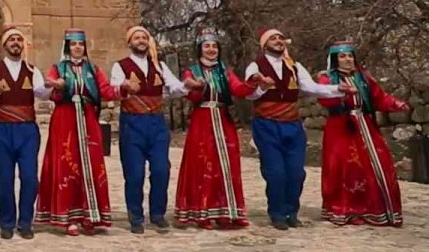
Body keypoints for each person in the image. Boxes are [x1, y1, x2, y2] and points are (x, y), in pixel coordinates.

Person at [244, 27, 348, 230]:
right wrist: (261, 86)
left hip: (292, 125)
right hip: (267, 125)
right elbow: (249, 94)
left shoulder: (295, 66)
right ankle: (277, 213)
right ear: (264, 44)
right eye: (272, 38)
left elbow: (311, 88)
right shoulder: (255, 66)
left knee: (296, 173)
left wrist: (337, 89)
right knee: (275, 172)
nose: (277, 41)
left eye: (280, 38)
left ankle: (291, 211)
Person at [34, 29, 124, 236]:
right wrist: (56, 86)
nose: (77, 48)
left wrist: (123, 89)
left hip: (87, 118)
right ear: (67, 46)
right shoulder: (58, 68)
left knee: (91, 164)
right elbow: (48, 86)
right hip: (64, 120)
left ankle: (90, 214)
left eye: (81, 44)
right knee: (67, 163)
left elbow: (105, 90)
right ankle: (69, 217)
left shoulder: (93, 69)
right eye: (73, 44)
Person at [317, 41, 410, 227]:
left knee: (379, 165)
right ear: (335, 59)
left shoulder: (364, 78)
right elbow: (324, 99)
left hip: (365, 124)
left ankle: (377, 209)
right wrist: (340, 93)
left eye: (350, 56)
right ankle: (345, 210)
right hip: (340, 127)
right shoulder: (327, 79)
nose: (347, 59)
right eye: (342, 56)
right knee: (344, 168)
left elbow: (380, 98)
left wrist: (396, 104)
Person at [173, 28, 258, 229]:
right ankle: (202, 213)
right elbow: (191, 97)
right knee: (202, 164)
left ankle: (226, 212)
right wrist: (195, 87)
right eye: (206, 46)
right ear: (199, 49)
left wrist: (253, 82)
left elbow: (238, 89)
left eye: (214, 46)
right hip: (202, 121)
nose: (211, 50)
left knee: (226, 164)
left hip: (223, 119)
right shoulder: (191, 72)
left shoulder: (225, 71)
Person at [108, 25, 189, 234]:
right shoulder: (121, 66)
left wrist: (188, 86)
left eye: (144, 37)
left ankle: (157, 213)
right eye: (137, 37)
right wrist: (124, 87)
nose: (141, 40)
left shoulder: (159, 66)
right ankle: (135, 216)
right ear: (130, 42)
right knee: (134, 173)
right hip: (132, 124)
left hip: (156, 124)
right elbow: (114, 88)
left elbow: (174, 87)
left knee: (161, 169)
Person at [0, 26, 51, 240]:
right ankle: (7, 222)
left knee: (30, 177)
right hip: (2, 129)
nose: (15, 43)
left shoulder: (32, 71)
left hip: (27, 130)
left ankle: (25, 222)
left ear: (23, 45)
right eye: (11, 40)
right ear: (4, 45)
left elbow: (41, 93)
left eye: (18, 40)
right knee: (5, 178)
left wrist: (51, 86)